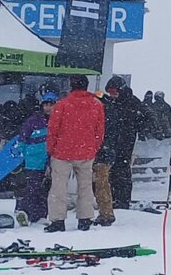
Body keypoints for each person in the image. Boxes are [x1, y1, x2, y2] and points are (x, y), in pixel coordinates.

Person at [44, 76, 105, 231]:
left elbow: (53, 129)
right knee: (85, 187)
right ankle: (85, 218)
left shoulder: (62, 104)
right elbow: (99, 131)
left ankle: (58, 221)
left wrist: (51, 149)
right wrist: (93, 147)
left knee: (58, 188)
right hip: (86, 152)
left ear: (71, 86)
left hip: (62, 152)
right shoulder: (96, 104)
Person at [98, 74, 149, 212]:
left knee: (122, 171)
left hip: (125, 142)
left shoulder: (132, 102)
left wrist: (134, 126)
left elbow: (146, 118)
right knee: (110, 172)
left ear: (120, 89)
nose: (112, 95)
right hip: (111, 141)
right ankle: (113, 199)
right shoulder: (111, 102)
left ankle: (123, 201)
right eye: (109, 92)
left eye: (113, 92)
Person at [15, 91, 55, 225]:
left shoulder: (58, 120)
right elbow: (23, 138)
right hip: (33, 161)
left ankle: (40, 215)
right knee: (32, 188)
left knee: (44, 190)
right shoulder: (33, 121)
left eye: (51, 104)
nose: (48, 107)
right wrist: (21, 154)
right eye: (46, 104)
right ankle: (25, 212)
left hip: (50, 161)